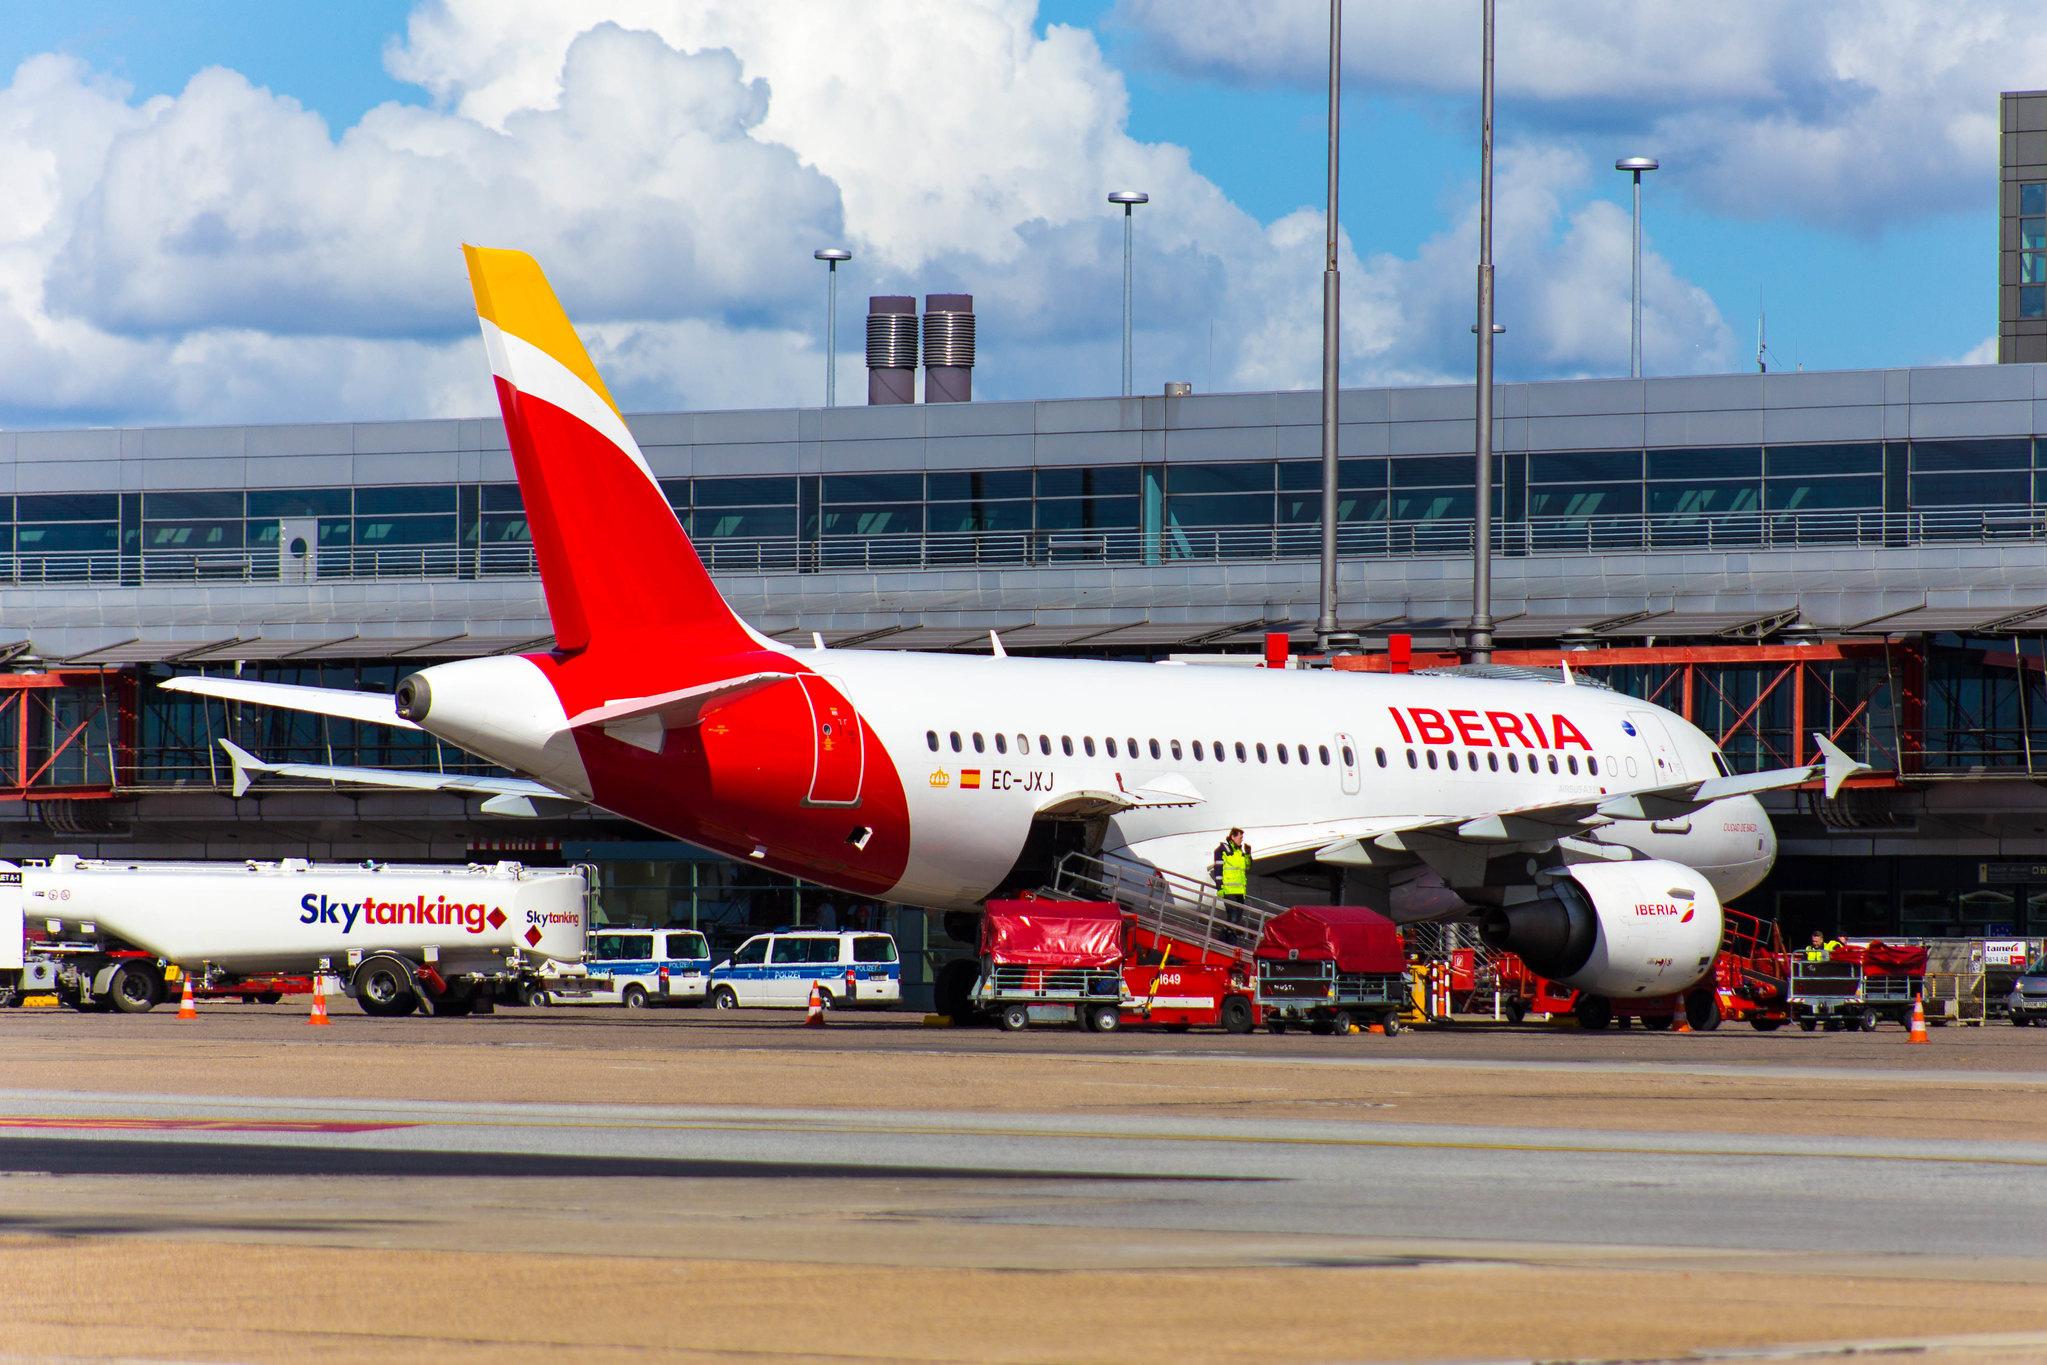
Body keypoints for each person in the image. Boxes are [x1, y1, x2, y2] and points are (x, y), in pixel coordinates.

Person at [1210, 828, 1251, 938]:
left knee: (1237, 918)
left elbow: (1248, 867)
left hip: (1240, 891)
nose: (1242, 840)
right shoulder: (1223, 850)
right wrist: (1220, 888)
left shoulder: (1239, 852)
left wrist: (1248, 854)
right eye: (1240, 837)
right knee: (1232, 917)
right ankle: (1225, 938)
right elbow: (1218, 870)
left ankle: (1226, 937)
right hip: (1229, 890)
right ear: (1233, 837)